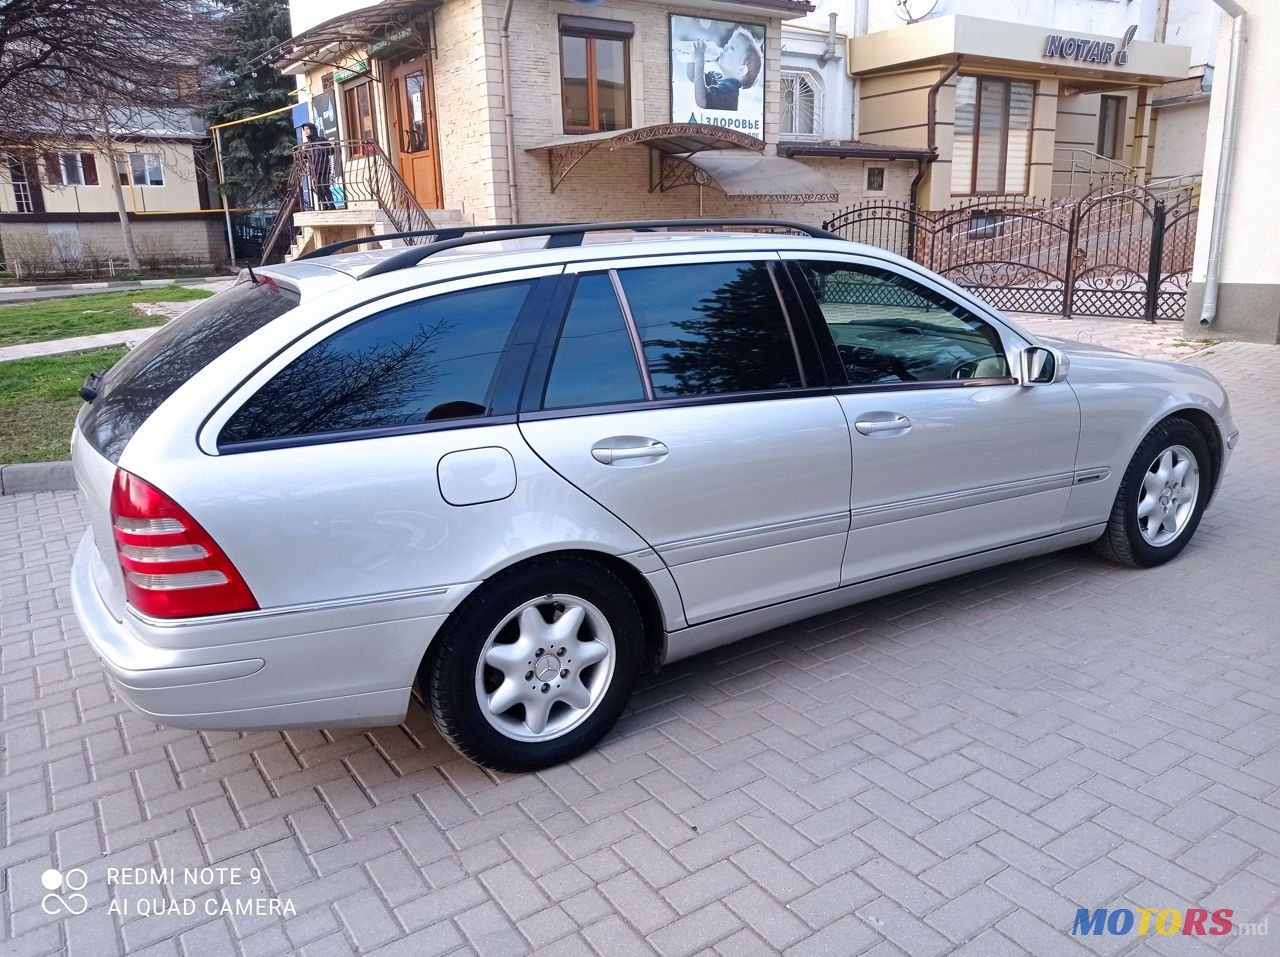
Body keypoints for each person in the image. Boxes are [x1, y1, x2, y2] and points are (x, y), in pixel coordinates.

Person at [692, 27, 763, 112]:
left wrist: (699, 60)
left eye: (732, 48)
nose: (725, 47)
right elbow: (693, 76)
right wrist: (692, 55)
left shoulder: (729, 91)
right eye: (728, 44)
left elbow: (701, 101)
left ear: (741, 70)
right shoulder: (718, 78)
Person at [299, 122, 335, 210]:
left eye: (307, 129)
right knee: (317, 188)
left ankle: (331, 204)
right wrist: (302, 152)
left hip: (323, 168)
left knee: (324, 186)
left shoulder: (322, 140)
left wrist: (321, 147)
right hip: (313, 170)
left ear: (312, 129)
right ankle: (324, 204)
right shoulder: (307, 144)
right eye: (304, 130)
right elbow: (304, 158)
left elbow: (331, 151)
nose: (306, 131)